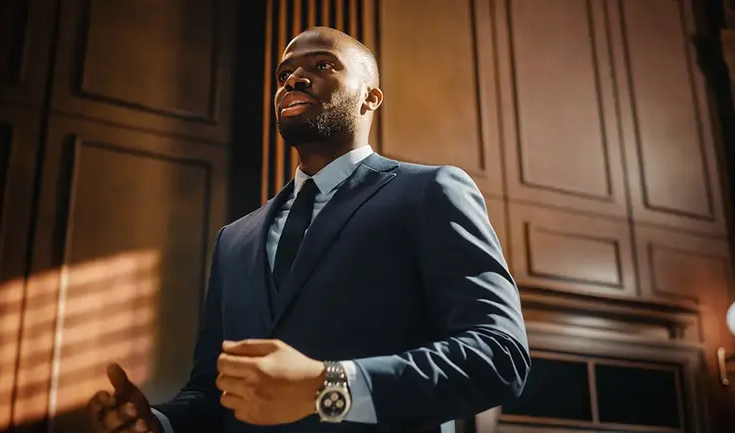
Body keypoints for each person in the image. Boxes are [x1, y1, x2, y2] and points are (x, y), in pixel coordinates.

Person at [87, 26, 530, 433]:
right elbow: (213, 392)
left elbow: (499, 356)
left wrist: (328, 386)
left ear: (370, 97)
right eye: (284, 74)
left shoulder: (430, 192)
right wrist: (158, 424)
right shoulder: (234, 239)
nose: (293, 80)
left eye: (322, 65)